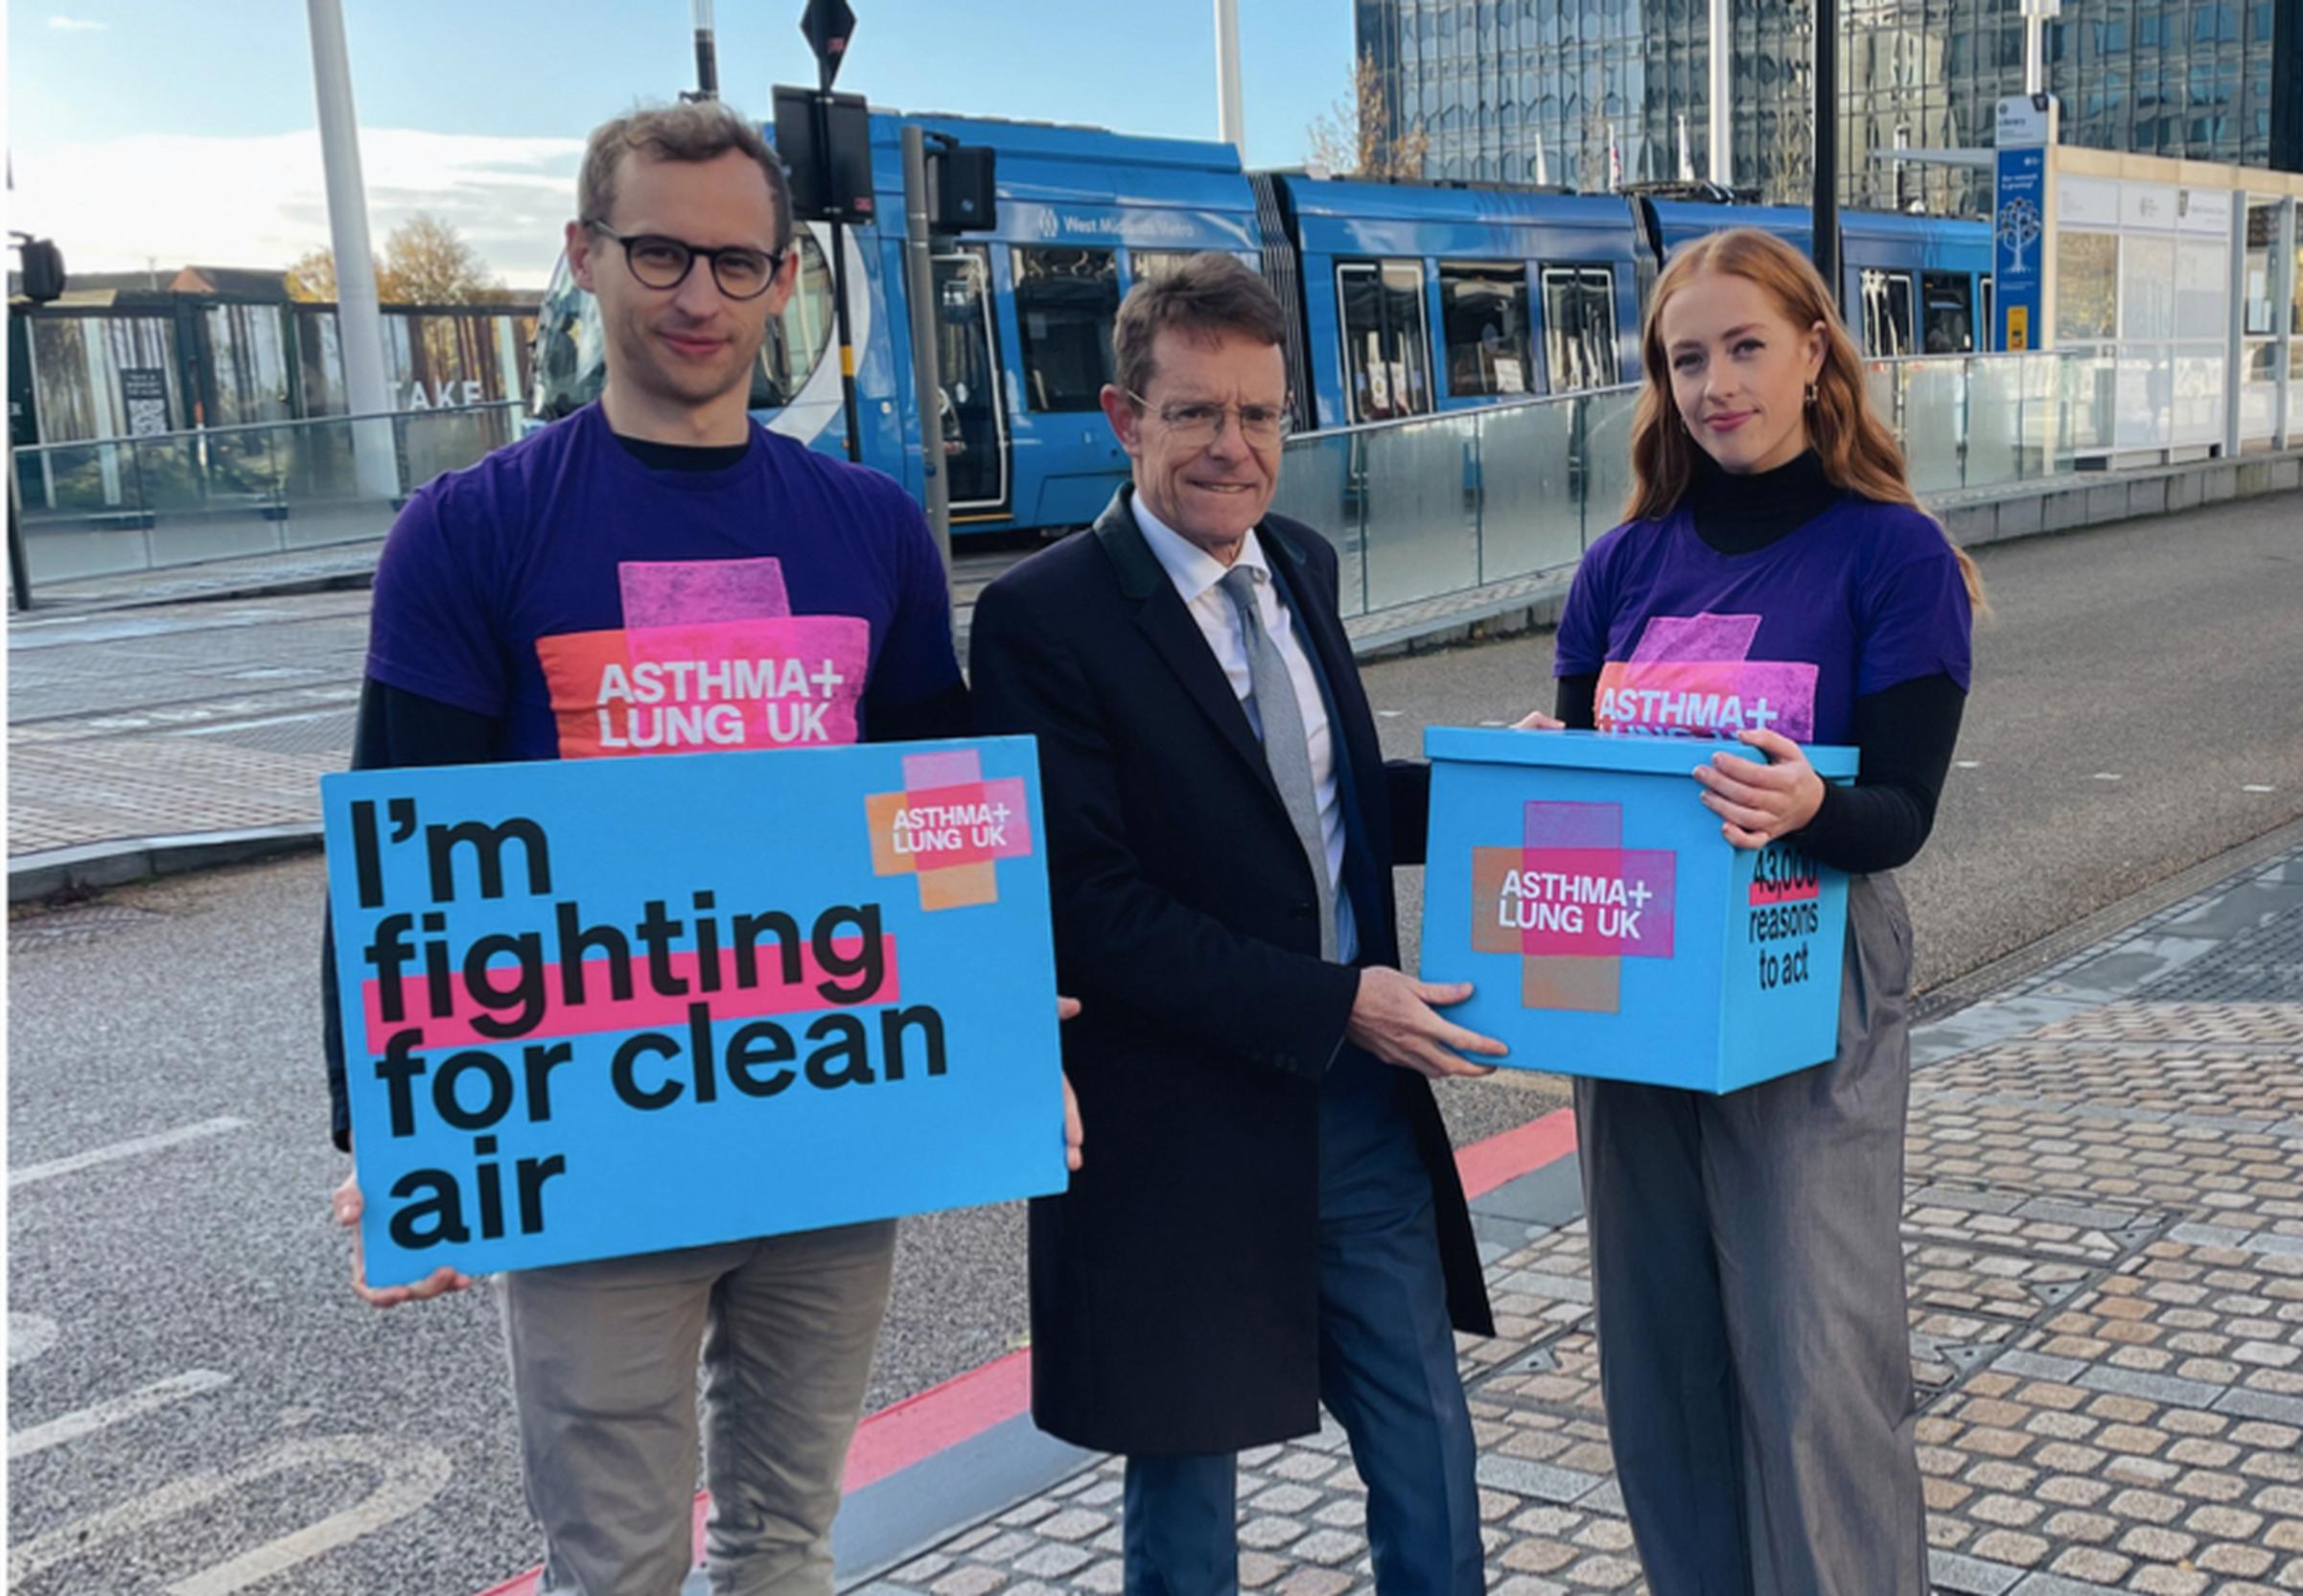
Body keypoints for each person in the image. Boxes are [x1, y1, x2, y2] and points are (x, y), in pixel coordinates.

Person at [317, 102, 1053, 1596]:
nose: (698, 296)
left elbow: (935, 820)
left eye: (736, 262)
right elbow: (403, 832)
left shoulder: (871, 530)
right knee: (618, 1561)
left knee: (788, 1538)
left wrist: (1000, 1031)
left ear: (787, 279)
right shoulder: (468, 532)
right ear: (586, 255)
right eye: (660, 253)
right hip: (597, 1137)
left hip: (824, 1107)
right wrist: (386, 1130)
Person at [969, 253, 1516, 1596]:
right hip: (1174, 1123)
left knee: (1426, 1449)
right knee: (1185, 1491)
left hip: (1352, 1110)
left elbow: (1315, 804)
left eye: (1260, 414)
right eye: (1194, 412)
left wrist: (1514, 795)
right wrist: (1334, 1000)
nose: (1232, 447)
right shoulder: (1041, 618)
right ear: (1122, 416)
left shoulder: (1300, 564)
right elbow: (1087, 905)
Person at [1522, 226, 1981, 1594]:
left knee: (1812, 1356)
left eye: (1742, 347)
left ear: (1810, 352)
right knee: (1656, 1356)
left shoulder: (1889, 556)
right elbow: (1584, 778)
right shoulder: (1620, 567)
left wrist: (1805, 811)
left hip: (1802, 968)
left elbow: (1901, 805)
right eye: (1685, 359)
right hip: (1631, 990)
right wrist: (1539, 761)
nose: (1715, 383)